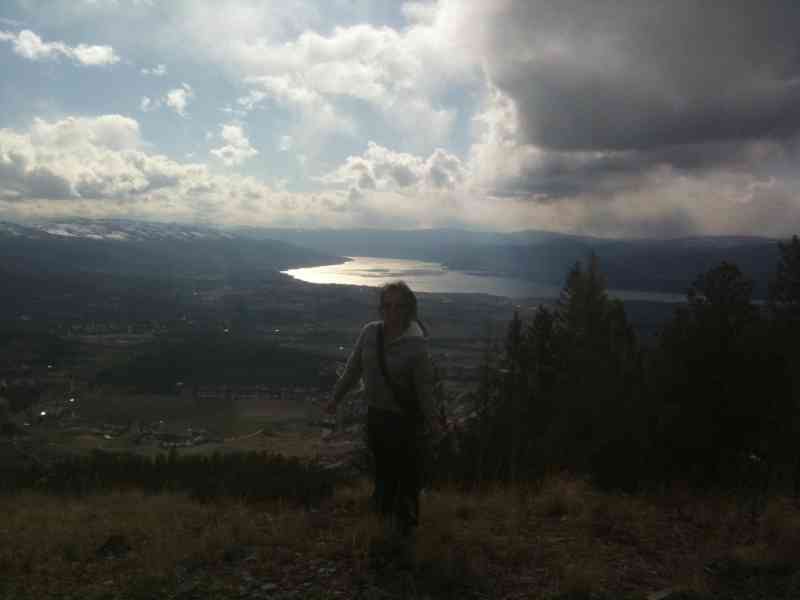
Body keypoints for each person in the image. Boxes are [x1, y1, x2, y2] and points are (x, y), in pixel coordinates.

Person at [326, 280, 434, 535]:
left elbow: (424, 388)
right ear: (380, 308)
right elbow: (353, 370)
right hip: (376, 416)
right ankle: (383, 525)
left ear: (409, 309)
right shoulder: (370, 333)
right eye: (387, 305)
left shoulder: (416, 345)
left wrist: (433, 421)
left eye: (399, 306)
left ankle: (406, 529)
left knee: (405, 476)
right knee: (384, 471)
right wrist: (335, 398)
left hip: (405, 421)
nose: (392, 311)